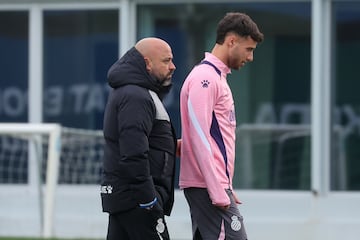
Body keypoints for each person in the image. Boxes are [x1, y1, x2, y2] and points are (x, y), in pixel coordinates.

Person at [179, 12, 264, 240]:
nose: (251, 57)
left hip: (212, 184)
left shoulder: (217, 77)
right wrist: (217, 188)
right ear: (232, 41)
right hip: (207, 186)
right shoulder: (205, 78)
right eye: (249, 49)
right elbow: (199, 135)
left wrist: (225, 183)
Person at [100, 37, 178, 240]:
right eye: (166, 61)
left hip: (127, 198)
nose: (173, 67)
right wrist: (148, 199)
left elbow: (140, 140)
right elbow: (133, 152)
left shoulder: (137, 92)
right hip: (137, 199)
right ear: (147, 63)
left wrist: (170, 146)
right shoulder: (136, 95)